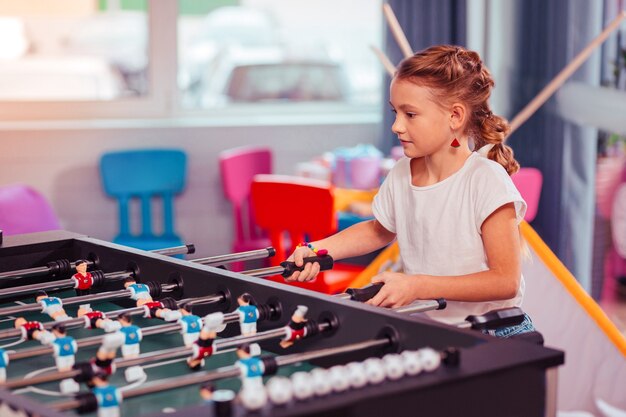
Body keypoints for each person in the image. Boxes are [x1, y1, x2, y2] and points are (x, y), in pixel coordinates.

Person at [286, 45, 533, 337]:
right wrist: (317, 249)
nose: (396, 126)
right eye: (395, 112)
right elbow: (379, 231)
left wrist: (417, 285)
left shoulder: (485, 179)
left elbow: (505, 281)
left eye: (410, 114)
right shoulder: (403, 172)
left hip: (492, 332)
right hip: (435, 328)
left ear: (455, 116)